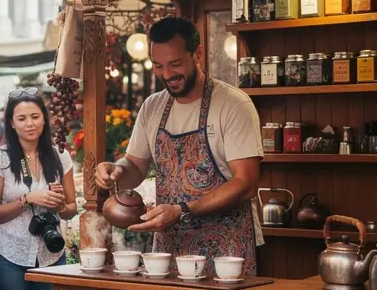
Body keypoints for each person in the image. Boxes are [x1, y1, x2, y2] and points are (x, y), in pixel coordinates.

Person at [95, 17, 263, 271]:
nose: (167, 74)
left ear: (198, 54)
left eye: (175, 64)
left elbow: (246, 183)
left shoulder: (233, 104)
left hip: (228, 252)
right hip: (169, 252)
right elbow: (135, 168)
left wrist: (182, 209)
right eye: (158, 66)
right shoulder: (152, 107)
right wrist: (116, 171)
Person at [0, 88, 77, 290]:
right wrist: (27, 199)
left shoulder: (60, 156)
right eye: (22, 118)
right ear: (12, 123)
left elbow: (71, 209)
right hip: (8, 253)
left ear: (44, 118)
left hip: (50, 252)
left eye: (35, 116)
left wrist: (60, 205)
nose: (30, 123)